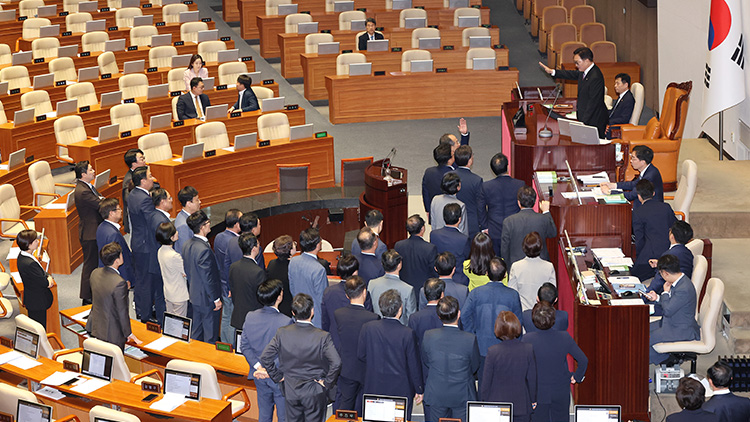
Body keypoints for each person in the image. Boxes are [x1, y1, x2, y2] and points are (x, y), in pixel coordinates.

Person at [260, 293, 341, 422]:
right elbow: (336, 363)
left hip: (291, 389)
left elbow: (265, 357)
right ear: (312, 311)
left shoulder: (282, 332)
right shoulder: (322, 336)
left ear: (293, 312)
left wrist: (278, 377)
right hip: (314, 391)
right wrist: (327, 383)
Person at [358, 289, 423, 420]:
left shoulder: (368, 328)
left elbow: (361, 355)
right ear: (400, 309)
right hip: (400, 391)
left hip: (374, 387)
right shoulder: (407, 333)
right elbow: (413, 365)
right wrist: (419, 389)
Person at [521, 302, 587, 422]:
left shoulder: (527, 339)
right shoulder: (564, 337)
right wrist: (577, 377)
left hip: (538, 392)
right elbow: (583, 360)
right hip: (560, 391)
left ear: (534, 319)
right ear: (553, 318)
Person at [462, 257, 522, 387]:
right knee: (504, 383)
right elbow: (518, 323)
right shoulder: (513, 295)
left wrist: (472, 335)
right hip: (506, 346)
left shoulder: (475, 293)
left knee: (484, 384)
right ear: (505, 274)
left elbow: (464, 316)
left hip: (481, 346)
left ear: (486, 273)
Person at [240, 279, 293, 422]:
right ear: (279, 297)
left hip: (259, 375)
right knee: (284, 416)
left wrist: (259, 367)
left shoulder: (250, 316)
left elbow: (244, 346)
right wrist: (270, 370)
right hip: (279, 377)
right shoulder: (286, 322)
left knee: (264, 414)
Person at [422, 296, 480, 422]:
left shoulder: (428, 336)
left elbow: (427, 361)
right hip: (462, 393)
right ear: (459, 314)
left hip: (436, 393)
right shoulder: (470, 339)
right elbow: (474, 366)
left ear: (439, 316)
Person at [333, 276, 379, 414]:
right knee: (365, 407)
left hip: (347, 368)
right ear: (365, 292)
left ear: (347, 295)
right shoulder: (373, 318)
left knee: (346, 405)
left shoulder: (338, 314)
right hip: (366, 370)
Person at [538, 46, 608, 137]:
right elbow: (572, 74)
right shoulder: (585, 71)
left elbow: (593, 103)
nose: (576, 65)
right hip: (586, 118)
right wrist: (553, 72)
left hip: (594, 120)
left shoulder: (595, 77)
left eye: (578, 62)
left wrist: (583, 123)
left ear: (587, 61)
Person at [481, 311, 536, 422]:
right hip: (522, 404)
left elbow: (486, 382)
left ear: (498, 328)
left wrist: (484, 402)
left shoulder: (492, 352)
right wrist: (533, 399)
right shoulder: (528, 349)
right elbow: (532, 379)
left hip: (498, 407)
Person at [645, 255, 700, 364]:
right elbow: (673, 303)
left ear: (665, 273)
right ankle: (662, 358)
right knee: (641, 330)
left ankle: (667, 360)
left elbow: (668, 311)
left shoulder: (683, 288)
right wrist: (658, 298)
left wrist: (665, 292)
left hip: (681, 329)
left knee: (645, 339)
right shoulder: (681, 281)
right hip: (673, 322)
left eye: (661, 273)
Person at [86, 242, 141, 350]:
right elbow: (122, 312)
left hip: (96, 327)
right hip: (111, 334)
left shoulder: (95, 273)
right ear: (117, 261)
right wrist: (128, 334)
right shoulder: (119, 283)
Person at [182, 210, 222, 343]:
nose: (210, 225)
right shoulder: (203, 249)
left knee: (196, 333)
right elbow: (208, 278)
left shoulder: (187, 245)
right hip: (207, 298)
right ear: (202, 226)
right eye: (208, 222)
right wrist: (216, 299)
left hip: (194, 295)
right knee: (210, 335)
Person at [321, 255, 373, 350]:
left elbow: (325, 320)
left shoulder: (328, 292)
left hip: (334, 342)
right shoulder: (362, 292)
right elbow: (369, 318)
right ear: (355, 272)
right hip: (357, 343)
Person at [478, 153, 525, 255]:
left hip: (493, 230)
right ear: (508, 167)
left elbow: (480, 208)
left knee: (496, 261)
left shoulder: (486, 186)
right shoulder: (520, 184)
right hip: (514, 229)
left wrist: (485, 227)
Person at [631, 179, 677, 280]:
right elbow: (676, 227)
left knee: (630, 276)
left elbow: (639, 239)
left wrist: (637, 258)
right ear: (653, 193)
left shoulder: (638, 212)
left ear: (639, 196)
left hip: (648, 259)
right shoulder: (666, 207)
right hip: (668, 256)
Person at [501, 185, 557, 268]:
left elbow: (504, 249)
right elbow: (553, 233)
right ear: (534, 202)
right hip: (540, 266)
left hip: (516, 266)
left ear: (518, 203)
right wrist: (546, 211)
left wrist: (508, 267)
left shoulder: (508, 221)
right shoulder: (543, 219)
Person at [74, 160, 104, 305]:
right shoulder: (83, 191)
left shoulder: (87, 186)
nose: (94, 171)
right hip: (90, 233)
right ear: (83, 174)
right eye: (91, 170)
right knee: (90, 265)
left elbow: (99, 198)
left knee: (93, 263)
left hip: (93, 229)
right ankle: (86, 297)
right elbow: (100, 203)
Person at [128, 166, 155, 320]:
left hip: (137, 242)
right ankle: (145, 315)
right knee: (146, 281)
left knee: (140, 279)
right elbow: (151, 221)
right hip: (145, 245)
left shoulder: (133, 194)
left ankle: (139, 309)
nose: (153, 178)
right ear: (143, 181)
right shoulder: (144, 199)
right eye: (150, 176)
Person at [601, 145, 664, 209]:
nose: (631, 161)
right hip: (641, 205)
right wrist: (614, 185)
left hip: (650, 210)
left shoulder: (649, 176)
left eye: (633, 159)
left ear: (642, 162)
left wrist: (610, 192)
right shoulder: (648, 169)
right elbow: (634, 184)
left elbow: (631, 195)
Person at [288, 227, 328, 328]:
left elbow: (292, 289)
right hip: (315, 320)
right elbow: (322, 300)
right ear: (318, 245)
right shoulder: (319, 270)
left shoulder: (293, 261)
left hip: (297, 315)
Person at [214, 209, 243, 343]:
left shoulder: (219, 236)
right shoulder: (235, 242)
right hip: (231, 286)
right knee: (232, 318)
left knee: (225, 317)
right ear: (237, 224)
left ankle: (225, 344)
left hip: (222, 283)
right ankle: (230, 346)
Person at [508, 232, 556, 311]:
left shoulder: (516, 266)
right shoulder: (549, 267)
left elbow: (512, 293)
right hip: (543, 313)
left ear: (524, 247)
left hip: (522, 312)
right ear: (541, 247)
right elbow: (551, 294)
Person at [647, 221, 695, 300]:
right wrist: (660, 263)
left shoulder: (670, 254)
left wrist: (644, 295)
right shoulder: (687, 252)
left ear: (672, 236)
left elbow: (658, 282)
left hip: (667, 298)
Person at [368, 249, 417, 325]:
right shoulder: (408, 289)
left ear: (382, 264)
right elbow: (411, 318)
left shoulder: (372, 284)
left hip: (377, 330)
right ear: (399, 265)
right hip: (400, 333)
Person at [229, 233, 267, 332]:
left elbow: (233, 291)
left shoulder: (233, 267)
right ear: (254, 248)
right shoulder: (258, 272)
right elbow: (261, 300)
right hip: (254, 320)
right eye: (258, 244)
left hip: (238, 317)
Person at [16, 230, 53, 328]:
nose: (38, 241)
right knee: (39, 329)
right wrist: (49, 277)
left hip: (33, 298)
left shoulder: (22, 256)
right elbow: (46, 283)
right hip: (37, 302)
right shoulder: (29, 263)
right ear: (29, 245)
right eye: (35, 240)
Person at [394, 214, 438, 293]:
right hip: (424, 290)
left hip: (403, 289)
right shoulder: (430, 248)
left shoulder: (398, 246)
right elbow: (434, 272)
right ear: (422, 229)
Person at [96, 199, 134, 289]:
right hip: (115, 276)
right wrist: (124, 279)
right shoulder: (113, 234)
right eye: (118, 209)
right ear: (111, 213)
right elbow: (116, 259)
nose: (121, 211)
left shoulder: (101, 227)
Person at [430, 203, 471, 286]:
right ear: (460, 219)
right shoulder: (464, 239)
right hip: (459, 280)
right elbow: (467, 257)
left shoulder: (434, 234)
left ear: (444, 217)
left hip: (438, 280)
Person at [147, 188, 170, 325]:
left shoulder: (154, 215)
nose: (171, 201)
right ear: (162, 202)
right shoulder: (160, 220)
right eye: (169, 199)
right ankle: (163, 324)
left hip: (154, 261)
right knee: (161, 296)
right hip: (159, 263)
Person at [156, 222, 189, 317]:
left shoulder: (160, 251)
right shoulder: (175, 256)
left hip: (168, 293)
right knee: (179, 325)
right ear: (171, 237)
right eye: (175, 232)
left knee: (170, 323)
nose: (177, 232)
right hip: (178, 295)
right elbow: (186, 272)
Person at [453, 145, 483, 238]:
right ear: (470, 160)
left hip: (451, 219)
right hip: (471, 224)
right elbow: (480, 205)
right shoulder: (477, 180)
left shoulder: (448, 176)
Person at [421, 143, 454, 221]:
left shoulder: (428, 172)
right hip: (452, 214)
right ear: (450, 159)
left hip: (435, 211)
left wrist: (428, 210)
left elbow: (425, 192)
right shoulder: (453, 175)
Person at [408, 278, 444, 346]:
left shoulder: (414, 318)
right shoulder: (447, 315)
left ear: (424, 294)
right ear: (442, 295)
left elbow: (412, 343)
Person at [266, 235, 295, 317]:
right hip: (290, 306)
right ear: (290, 250)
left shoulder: (271, 263)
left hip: (276, 304)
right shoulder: (294, 266)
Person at [121, 148, 145, 234]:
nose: (144, 161)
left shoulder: (141, 173)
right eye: (141, 159)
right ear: (134, 164)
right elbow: (131, 200)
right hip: (135, 221)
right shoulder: (129, 180)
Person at [174, 186, 201, 255]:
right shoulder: (183, 226)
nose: (200, 202)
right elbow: (186, 252)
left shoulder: (182, 215)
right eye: (197, 200)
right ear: (189, 204)